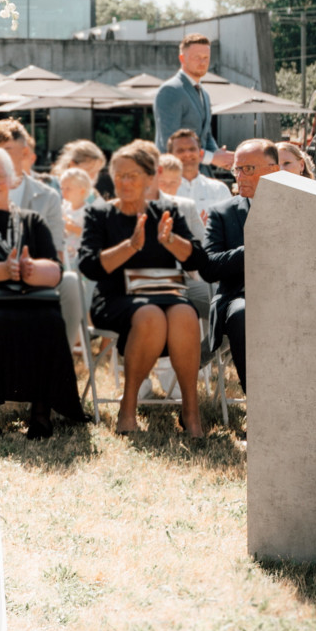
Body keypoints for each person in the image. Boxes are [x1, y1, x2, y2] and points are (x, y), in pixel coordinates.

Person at [79, 140, 209, 436]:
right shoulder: (99, 214)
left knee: (185, 315)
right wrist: (130, 246)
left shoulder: (167, 212)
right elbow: (89, 265)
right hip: (114, 300)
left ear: (150, 178)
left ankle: (190, 410)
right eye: (119, 175)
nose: (125, 181)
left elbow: (199, 258)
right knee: (151, 315)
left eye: (133, 175)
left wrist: (171, 241)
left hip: (164, 294)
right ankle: (128, 408)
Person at [0, 147, 88, 438]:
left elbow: (55, 269)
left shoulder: (32, 220)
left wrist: (30, 269)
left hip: (32, 297)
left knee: (50, 321)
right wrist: (2, 270)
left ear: (12, 179)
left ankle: (42, 412)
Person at [195, 138, 274, 388]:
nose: (238, 176)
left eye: (247, 169)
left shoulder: (297, 210)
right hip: (239, 298)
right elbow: (208, 267)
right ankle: (260, 407)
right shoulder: (222, 212)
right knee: (241, 313)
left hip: (289, 296)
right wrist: (253, 251)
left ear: (273, 170)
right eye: (236, 169)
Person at [153, 34, 237, 170]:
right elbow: (169, 142)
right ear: (182, 58)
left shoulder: (204, 94)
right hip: (175, 175)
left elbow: (206, 135)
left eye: (206, 58)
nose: (202, 62)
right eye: (197, 57)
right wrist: (212, 158)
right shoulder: (170, 90)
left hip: (201, 174)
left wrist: (219, 155)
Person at [166, 129, 231, 211]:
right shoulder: (161, 191)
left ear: (201, 154)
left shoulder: (219, 190)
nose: (187, 154)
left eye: (192, 149)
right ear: (170, 155)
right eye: (180, 150)